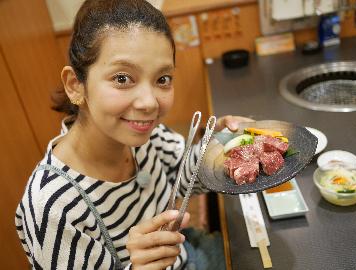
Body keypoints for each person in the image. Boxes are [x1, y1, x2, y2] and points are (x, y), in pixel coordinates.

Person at [15, 0, 252, 269]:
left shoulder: (142, 136)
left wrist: (218, 149)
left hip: (187, 253)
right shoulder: (52, 207)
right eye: (122, 78)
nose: (149, 103)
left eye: (162, 79)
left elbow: (185, 177)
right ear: (75, 86)